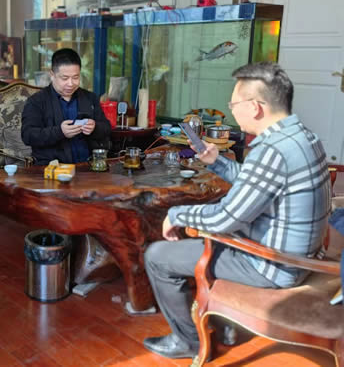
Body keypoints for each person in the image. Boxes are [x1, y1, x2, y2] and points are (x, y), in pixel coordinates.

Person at [142, 62, 332, 360]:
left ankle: (188, 341)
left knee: (157, 256)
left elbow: (226, 218)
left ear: (255, 107)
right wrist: (216, 161)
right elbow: (256, 182)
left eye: (233, 104)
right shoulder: (303, 137)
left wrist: (176, 214)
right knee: (202, 230)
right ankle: (226, 323)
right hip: (303, 254)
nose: (231, 111)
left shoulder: (271, 150)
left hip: (274, 265)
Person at [21, 48, 111, 165]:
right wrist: (60, 132)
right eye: (65, 78)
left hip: (89, 166)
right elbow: (28, 135)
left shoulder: (90, 98)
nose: (70, 83)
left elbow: (106, 128)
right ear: (52, 75)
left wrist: (94, 127)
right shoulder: (37, 101)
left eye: (75, 77)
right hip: (53, 168)